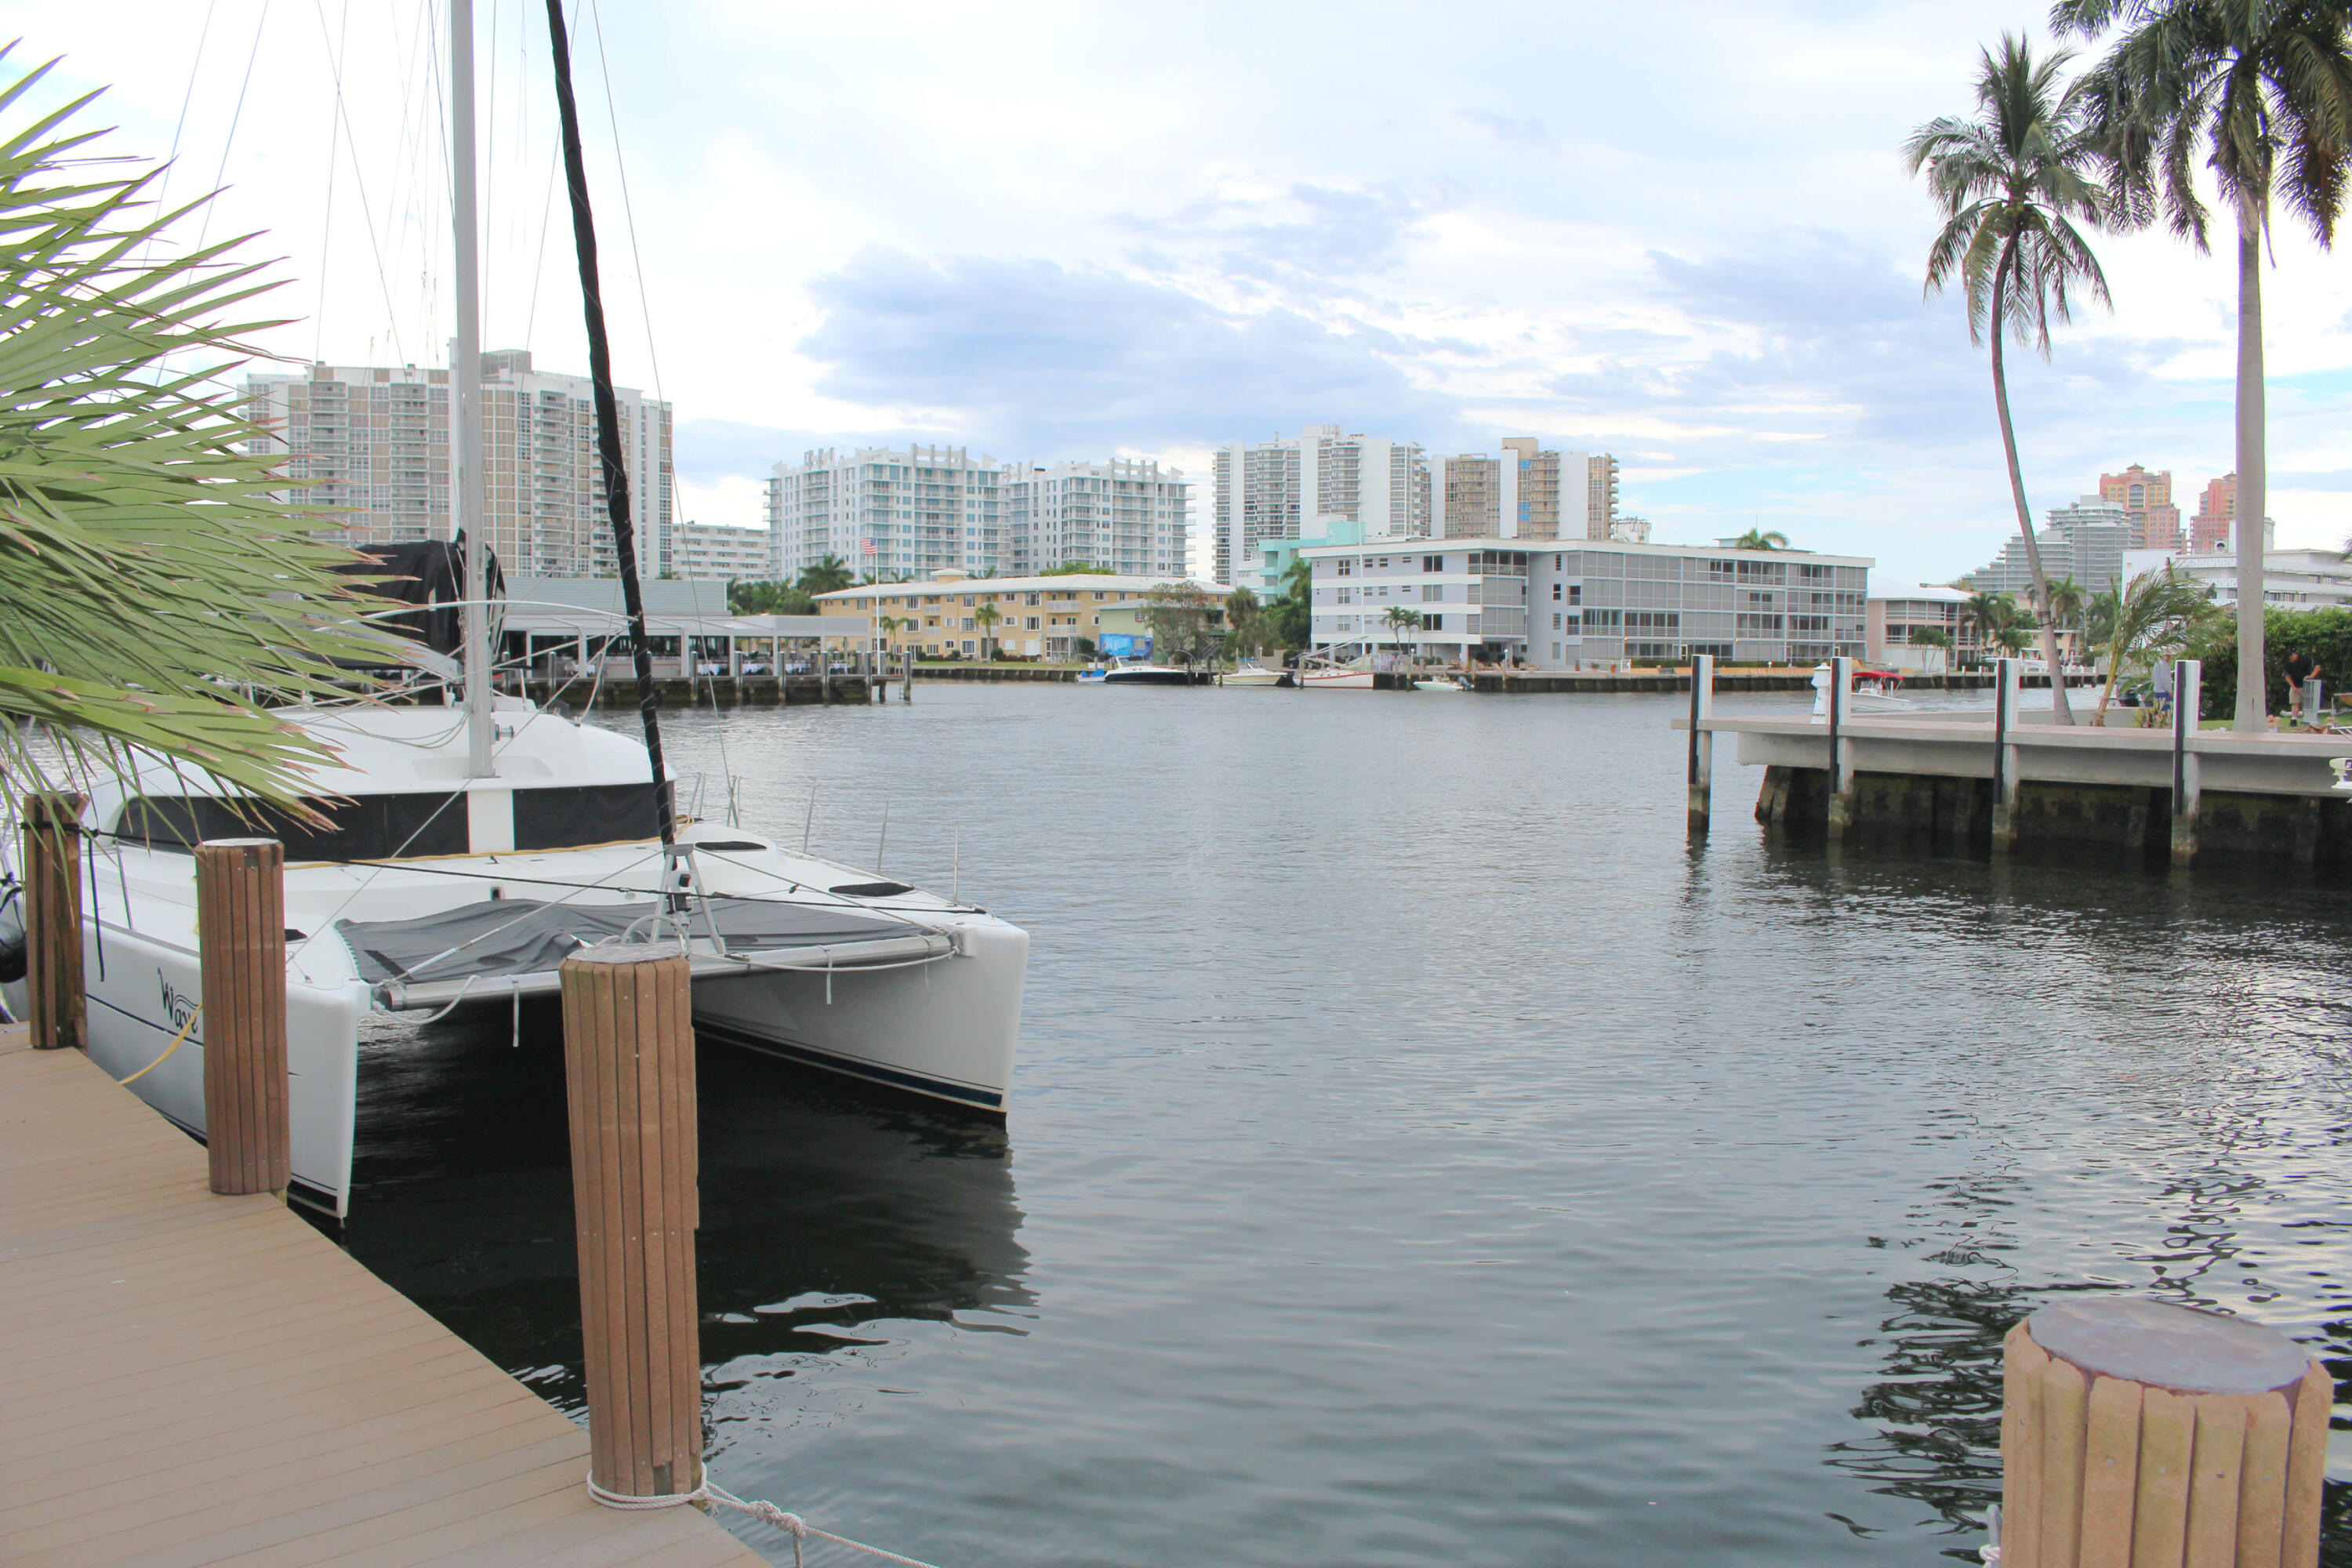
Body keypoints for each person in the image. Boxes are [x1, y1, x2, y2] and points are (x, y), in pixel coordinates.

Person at [2283, 649, 2322, 726]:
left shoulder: (2306, 659)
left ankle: (2306, 720)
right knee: (2295, 704)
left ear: (2294, 655)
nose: (2291, 661)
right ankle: (2293, 721)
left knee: (2307, 705)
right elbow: (2287, 676)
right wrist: (2293, 686)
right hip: (2295, 686)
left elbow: (2318, 667)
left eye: (2291, 659)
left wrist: (2311, 676)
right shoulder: (2287, 664)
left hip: (2307, 686)